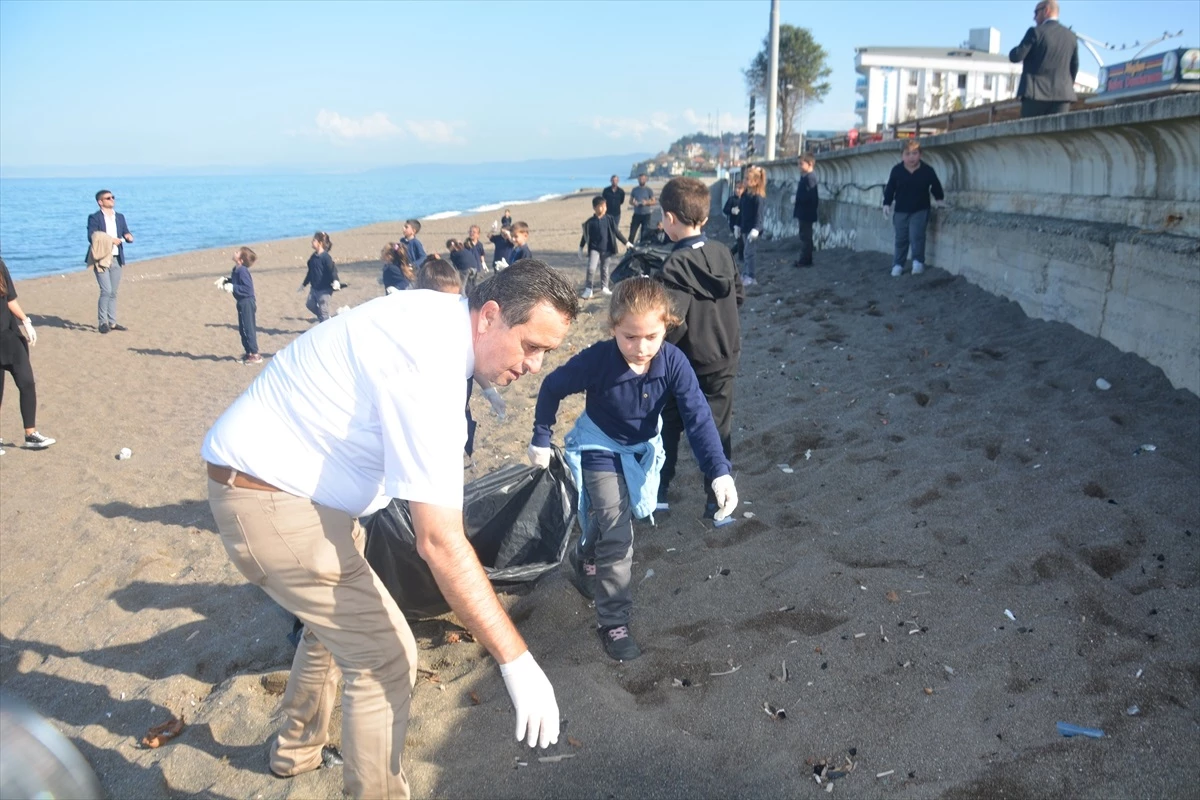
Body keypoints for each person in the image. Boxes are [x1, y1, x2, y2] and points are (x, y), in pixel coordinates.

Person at [202, 259, 577, 799]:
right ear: (488, 316)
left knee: (337, 629)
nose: (535, 365)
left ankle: (295, 749)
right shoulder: (429, 366)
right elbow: (440, 542)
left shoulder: (439, 315)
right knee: (386, 657)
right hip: (267, 497)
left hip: (304, 490)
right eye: (530, 346)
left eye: (547, 353)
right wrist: (516, 661)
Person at [528, 278, 738, 661]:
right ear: (613, 329)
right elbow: (552, 386)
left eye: (651, 337)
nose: (640, 348)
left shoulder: (674, 363)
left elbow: (698, 418)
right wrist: (541, 436)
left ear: (666, 327)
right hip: (598, 446)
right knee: (618, 531)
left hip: (641, 450)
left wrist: (719, 471)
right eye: (629, 337)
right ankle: (613, 622)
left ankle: (584, 556)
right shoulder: (597, 360)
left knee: (608, 527)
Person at [653, 177, 742, 521]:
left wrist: (662, 353)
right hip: (724, 356)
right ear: (703, 218)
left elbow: (673, 321)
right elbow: (738, 296)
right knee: (719, 426)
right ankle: (716, 500)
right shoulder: (722, 252)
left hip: (687, 363)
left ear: (670, 219)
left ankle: (659, 491)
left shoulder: (674, 266)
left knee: (669, 424)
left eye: (662, 218)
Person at [0, 257, 55, 453]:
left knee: (27, 382)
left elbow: (10, 299)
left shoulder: (0, 265)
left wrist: (26, 321)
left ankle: (30, 434)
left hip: (9, 335)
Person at [882, 140, 945, 277]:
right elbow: (890, 188)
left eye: (915, 153)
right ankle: (898, 264)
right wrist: (886, 203)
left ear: (920, 155)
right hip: (900, 210)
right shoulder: (897, 170)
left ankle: (918, 262)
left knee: (917, 236)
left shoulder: (927, 171)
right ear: (902, 156)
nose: (911, 157)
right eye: (908, 154)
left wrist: (939, 200)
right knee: (901, 238)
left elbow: (935, 186)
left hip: (920, 209)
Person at [1009, 0, 1079, 118]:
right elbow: (1074, 66)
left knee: (1031, 134)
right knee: (1055, 136)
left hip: (1035, 95)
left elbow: (1016, 56)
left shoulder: (1035, 32)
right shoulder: (1071, 36)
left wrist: (1014, 50)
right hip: (1062, 97)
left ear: (1046, 10)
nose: (1034, 17)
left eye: (1036, 13)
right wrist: (1066, 85)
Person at [86, 189, 133, 334]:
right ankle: (102, 322)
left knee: (113, 292)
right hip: (101, 258)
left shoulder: (119, 217)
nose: (112, 199)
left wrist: (128, 236)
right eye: (108, 198)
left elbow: (125, 231)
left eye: (113, 197)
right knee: (105, 290)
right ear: (100, 202)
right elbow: (92, 236)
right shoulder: (94, 218)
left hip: (116, 257)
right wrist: (110, 240)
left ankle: (112, 322)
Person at [578, 195, 632, 299]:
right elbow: (585, 236)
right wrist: (581, 247)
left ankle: (604, 287)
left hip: (607, 248)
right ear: (595, 207)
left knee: (605, 268)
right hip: (594, 249)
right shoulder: (590, 222)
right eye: (601, 206)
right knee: (591, 269)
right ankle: (588, 289)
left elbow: (617, 232)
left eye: (605, 206)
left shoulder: (609, 220)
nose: (604, 208)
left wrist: (626, 243)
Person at [226, 247, 263, 365]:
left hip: (247, 302)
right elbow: (237, 282)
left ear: (240, 260)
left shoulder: (243, 271)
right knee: (242, 330)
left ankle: (256, 354)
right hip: (241, 302)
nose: (234, 252)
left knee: (249, 328)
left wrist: (234, 287)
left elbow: (247, 288)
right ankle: (248, 353)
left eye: (237, 252)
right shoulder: (236, 269)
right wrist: (226, 281)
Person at [737, 166, 766, 286]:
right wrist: (737, 226)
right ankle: (745, 273)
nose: (744, 181)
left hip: (752, 230)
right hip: (744, 227)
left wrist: (756, 229)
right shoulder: (745, 195)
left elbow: (759, 216)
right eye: (744, 178)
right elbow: (742, 211)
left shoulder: (758, 197)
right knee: (745, 252)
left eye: (747, 179)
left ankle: (751, 276)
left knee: (750, 253)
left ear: (755, 181)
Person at [301, 232, 339, 322]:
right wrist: (304, 284)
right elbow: (310, 272)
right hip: (314, 289)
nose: (312, 242)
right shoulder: (313, 257)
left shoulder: (326, 257)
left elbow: (332, 269)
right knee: (309, 304)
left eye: (314, 240)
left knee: (323, 310)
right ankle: (323, 318)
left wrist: (336, 280)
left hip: (325, 289)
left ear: (320, 243)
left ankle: (326, 325)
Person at [793, 154, 819, 268]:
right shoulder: (806, 177)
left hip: (806, 212)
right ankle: (805, 259)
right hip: (804, 211)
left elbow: (811, 197)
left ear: (810, 164)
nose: (799, 166)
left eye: (801, 163)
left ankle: (805, 260)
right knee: (804, 236)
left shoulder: (810, 178)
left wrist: (797, 199)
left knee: (805, 237)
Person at [628, 174, 656, 245]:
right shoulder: (634, 189)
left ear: (646, 180)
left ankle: (641, 248)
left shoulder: (649, 190)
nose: (642, 180)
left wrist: (646, 203)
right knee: (632, 233)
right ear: (638, 180)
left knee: (644, 233)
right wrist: (634, 203)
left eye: (643, 179)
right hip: (637, 214)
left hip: (646, 215)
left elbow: (654, 201)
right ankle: (629, 248)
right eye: (640, 179)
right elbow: (630, 201)